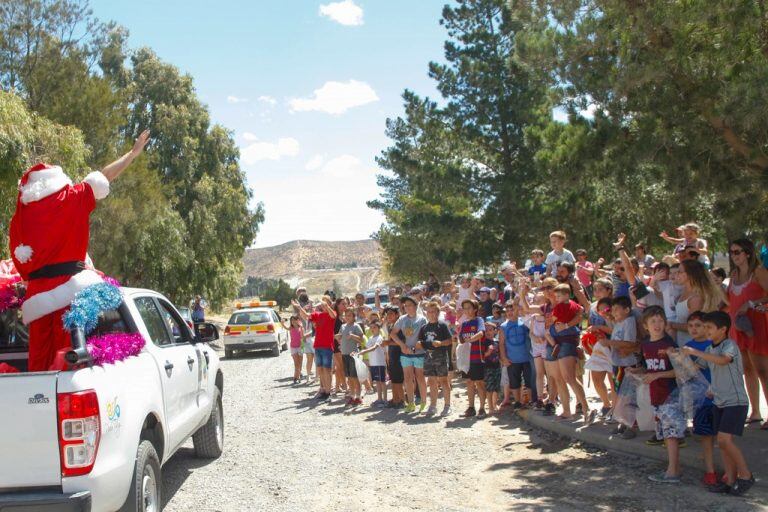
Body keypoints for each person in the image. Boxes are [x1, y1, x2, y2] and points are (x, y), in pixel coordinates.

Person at [10, 130, 150, 372]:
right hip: (69, 288)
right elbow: (104, 177)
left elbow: (18, 255)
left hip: (36, 296)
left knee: (39, 357)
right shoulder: (71, 198)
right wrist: (132, 153)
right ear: (55, 179)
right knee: (66, 354)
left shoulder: (22, 216)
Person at [683, 311, 754, 496]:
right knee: (721, 444)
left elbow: (723, 361)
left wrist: (695, 352)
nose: (705, 331)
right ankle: (730, 480)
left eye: (709, 327)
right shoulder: (708, 350)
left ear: (722, 329)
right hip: (719, 401)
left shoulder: (729, 345)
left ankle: (745, 475)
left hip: (735, 401)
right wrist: (675, 355)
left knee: (724, 440)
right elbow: (696, 368)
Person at [632, 306, 684, 484]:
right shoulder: (646, 344)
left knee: (671, 435)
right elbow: (650, 367)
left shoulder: (669, 345)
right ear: (645, 325)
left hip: (671, 394)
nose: (657, 324)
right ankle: (672, 467)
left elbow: (681, 371)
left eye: (660, 320)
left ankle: (673, 471)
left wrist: (657, 375)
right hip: (656, 395)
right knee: (665, 434)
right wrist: (638, 371)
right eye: (653, 321)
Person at [726, 238, 768, 427]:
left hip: (756, 325)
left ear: (748, 253)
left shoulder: (758, 272)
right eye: (732, 252)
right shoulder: (734, 274)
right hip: (739, 326)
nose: (734, 255)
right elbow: (729, 301)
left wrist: (751, 304)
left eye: (737, 252)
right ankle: (756, 411)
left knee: (762, 370)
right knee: (748, 369)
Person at [543, 284, 592, 421]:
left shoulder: (560, 307)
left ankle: (585, 408)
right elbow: (580, 313)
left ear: (566, 295)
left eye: (558, 295)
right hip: (561, 341)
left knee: (569, 378)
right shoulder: (574, 305)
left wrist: (560, 324)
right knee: (563, 378)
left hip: (564, 341)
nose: (557, 298)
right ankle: (571, 410)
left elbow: (552, 321)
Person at [680, 310, 717, 486]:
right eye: (691, 325)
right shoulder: (687, 346)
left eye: (698, 325)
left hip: (718, 396)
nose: (694, 329)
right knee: (706, 435)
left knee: (722, 437)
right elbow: (685, 372)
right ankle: (710, 471)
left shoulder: (714, 345)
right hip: (699, 399)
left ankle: (729, 470)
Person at [603, 295, 639, 438]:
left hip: (628, 364)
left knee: (629, 396)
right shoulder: (619, 322)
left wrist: (609, 343)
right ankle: (623, 423)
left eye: (617, 309)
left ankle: (632, 426)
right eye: (613, 310)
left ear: (627, 310)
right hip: (618, 363)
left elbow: (629, 343)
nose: (614, 312)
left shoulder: (629, 322)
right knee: (621, 395)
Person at [668, 259, 726, 347]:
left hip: (695, 346)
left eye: (680, 272)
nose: (676, 274)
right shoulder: (684, 292)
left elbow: (694, 326)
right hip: (684, 343)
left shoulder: (696, 298)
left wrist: (671, 325)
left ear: (690, 274)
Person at [293, 296, 337, 401]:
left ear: (329, 304)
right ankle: (323, 390)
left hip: (327, 346)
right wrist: (299, 307)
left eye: (326, 303)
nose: (323, 305)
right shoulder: (318, 314)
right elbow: (307, 316)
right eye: (323, 303)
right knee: (321, 369)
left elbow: (333, 315)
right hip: (318, 346)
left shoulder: (332, 313)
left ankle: (328, 392)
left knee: (327, 369)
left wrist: (327, 306)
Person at [389, 296, 428, 413]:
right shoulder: (402, 319)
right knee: (407, 378)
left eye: (410, 305)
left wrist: (418, 345)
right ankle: (410, 403)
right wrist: (402, 345)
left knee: (420, 377)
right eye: (405, 306)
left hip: (419, 353)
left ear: (416, 306)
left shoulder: (422, 319)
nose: (407, 307)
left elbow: (425, 336)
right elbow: (393, 334)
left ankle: (423, 401)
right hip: (405, 353)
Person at [419, 301, 453, 416]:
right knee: (432, 381)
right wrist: (418, 344)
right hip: (428, 356)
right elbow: (421, 342)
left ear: (438, 313)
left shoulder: (442, 325)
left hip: (441, 356)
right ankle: (433, 406)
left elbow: (450, 340)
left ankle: (447, 405)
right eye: (429, 311)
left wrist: (441, 343)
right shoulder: (424, 327)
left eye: (433, 311)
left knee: (443, 380)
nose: (431, 314)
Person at [500, 301, 535, 409]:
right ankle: (517, 401)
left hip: (526, 358)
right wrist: (504, 357)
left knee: (529, 380)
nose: (510, 312)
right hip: (512, 359)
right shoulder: (503, 326)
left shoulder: (524, 323)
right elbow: (501, 344)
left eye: (512, 310)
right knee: (514, 381)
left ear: (517, 310)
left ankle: (529, 401)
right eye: (507, 311)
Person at [585, 295, 615, 417]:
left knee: (613, 382)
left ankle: (615, 408)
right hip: (600, 349)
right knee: (596, 378)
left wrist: (599, 327)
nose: (603, 312)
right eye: (600, 309)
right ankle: (606, 405)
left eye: (606, 309)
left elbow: (615, 331)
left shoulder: (616, 318)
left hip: (614, 351)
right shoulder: (598, 316)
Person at [458, 299, 488, 418]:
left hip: (477, 357)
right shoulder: (464, 324)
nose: (467, 310)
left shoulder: (479, 320)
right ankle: (471, 407)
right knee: (469, 382)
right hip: (466, 358)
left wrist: (470, 340)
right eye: (465, 308)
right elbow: (461, 338)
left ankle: (482, 408)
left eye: (469, 307)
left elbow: (481, 333)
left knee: (479, 383)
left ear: (475, 309)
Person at [337, 309, 365, 406]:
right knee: (349, 377)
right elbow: (341, 337)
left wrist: (353, 336)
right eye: (346, 315)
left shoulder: (356, 326)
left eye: (349, 315)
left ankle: (358, 396)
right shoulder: (343, 326)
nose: (347, 317)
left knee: (355, 377)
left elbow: (362, 339)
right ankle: (352, 395)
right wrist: (338, 337)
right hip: (344, 354)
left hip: (353, 355)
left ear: (354, 317)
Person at [357, 320, 387, 407]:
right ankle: (379, 399)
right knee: (377, 382)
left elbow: (374, 348)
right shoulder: (370, 338)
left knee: (382, 382)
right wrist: (357, 352)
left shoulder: (380, 338)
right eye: (371, 327)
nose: (372, 329)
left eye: (374, 327)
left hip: (380, 363)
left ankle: (385, 400)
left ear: (379, 328)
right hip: (373, 363)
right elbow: (365, 346)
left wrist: (363, 351)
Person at [381, 305, 405, 408]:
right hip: (391, 355)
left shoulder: (400, 326)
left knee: (398, 379)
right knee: (393, 379)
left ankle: (401, 400)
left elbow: (403, 342)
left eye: (391, 313)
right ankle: (395, 399)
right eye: (387, 314)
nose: (388, 315)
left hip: (399, 355)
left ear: (397, 314)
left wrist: (388, 343)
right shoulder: (390, 326)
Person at [483, 322, 502, 415]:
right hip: (488, 368)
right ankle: (490, 407)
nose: (488, 332)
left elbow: (500, 353)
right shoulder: (483, 342)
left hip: (497, 366)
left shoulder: (497, 341)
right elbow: (483, 355)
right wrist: (488, 351)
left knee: (496, 388)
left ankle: (494, 404)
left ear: (495, 331)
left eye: (490, 330)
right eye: (486, 330)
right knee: (489, 388)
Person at [288, 315, 305, 384]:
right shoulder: (290, 328)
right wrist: (282, 323)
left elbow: (302, 337)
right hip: (293, 347)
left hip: (301, 346)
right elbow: (286, 328)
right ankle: (296, 377)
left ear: (298, 320)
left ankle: (298, 376)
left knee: (300, 363)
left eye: (294, 320)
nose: (293, 321)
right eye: (292, 320)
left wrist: (301, 326)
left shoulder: (301, 328)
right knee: (296, 363)